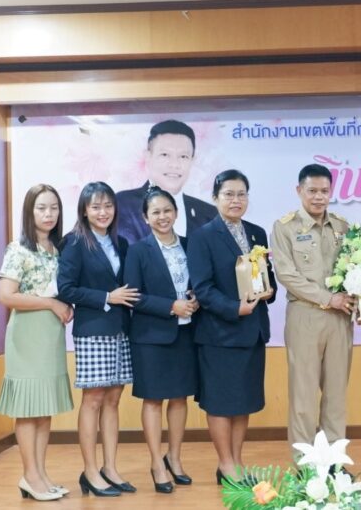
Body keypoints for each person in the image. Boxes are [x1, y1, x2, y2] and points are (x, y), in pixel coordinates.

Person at [189, 170, 276, 484]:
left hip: (253, 331)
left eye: (241, 194)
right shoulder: (202, 236)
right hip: (219, 333)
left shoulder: (256, 232)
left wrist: (268, 290)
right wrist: (234, 308)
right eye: (228, 194)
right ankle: (225, 464)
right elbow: (202, 287)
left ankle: (236, 462)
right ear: (215, 198)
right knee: (220, 402)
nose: (235, 200)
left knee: (243, 402)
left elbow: (267, 277)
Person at [57, 181, 139, 497]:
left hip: (120, 329)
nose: (102, 212)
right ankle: (90, 472)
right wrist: (107, 297)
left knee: (114, 399)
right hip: (92, 331)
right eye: (95, 206)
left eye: (107, 206)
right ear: (84, 210)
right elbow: (66, 288)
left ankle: (110, 468)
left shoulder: (121, 242)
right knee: (93, 400)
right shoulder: (75, 242)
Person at [0, 184, 75, 501]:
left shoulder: (58, 248)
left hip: (51, 335)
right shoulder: (19, 249)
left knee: (43, 408)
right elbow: (6, 295)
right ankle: (29, 475)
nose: (48, 214)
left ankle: (40, 474)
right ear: (29, 211)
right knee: (29, 409)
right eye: (41, 208)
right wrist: (51, 303)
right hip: (27, 334)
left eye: (54, 207)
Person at [270, 164, 353, 455]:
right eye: (312, 191)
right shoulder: (285, 227)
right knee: (303, 397)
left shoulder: (343, 226)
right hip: (305, 315)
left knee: (336, 395)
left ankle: (334, 462)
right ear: (299, 191)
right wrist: (328, 298)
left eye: (324, 191)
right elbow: (287, 275)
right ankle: (305, 465)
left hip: (340, 318)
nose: (319, 197)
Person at [124, 186, 201, 494]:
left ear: (176, 213)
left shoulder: (190, 245)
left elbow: (199, 282)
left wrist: (195, 297)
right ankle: (157, 463)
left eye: (167, 210)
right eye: (155, 212)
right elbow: (134, 296)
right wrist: (171, 306)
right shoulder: (138, 250)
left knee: (180, 398)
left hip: (186, 332)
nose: (162, 216)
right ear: (146, 218)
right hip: (151, 337)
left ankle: (174, 458)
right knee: (154, 399)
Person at [116, 120, 217, 243]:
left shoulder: (209, 214)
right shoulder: (122, 204)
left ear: (192, 160)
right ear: (148, 156)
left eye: (183, 156)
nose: (174, 164)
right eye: (165, 155)